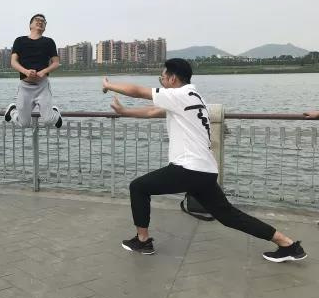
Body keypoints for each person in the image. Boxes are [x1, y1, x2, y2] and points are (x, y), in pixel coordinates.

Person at [102, 58, 307, 263]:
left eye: (162, 78)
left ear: (172, 79)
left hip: (188, 168)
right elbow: (152, 111)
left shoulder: (178, 95)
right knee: (228, 216)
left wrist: (109, 85)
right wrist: (124, 112)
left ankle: (143, 241)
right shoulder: (194, 96)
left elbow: (138, 91)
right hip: (204, 171)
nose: (161, 82)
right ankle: (287, 244)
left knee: (138, 187)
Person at [3, 13, 62, 129]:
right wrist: (25, 71)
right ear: (30, 25)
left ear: (45, 27)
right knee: (24, 123)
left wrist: (44, 71)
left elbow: (56, 63)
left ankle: (55, 112)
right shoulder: (20, 41)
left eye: (43, 21)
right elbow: (13, 62)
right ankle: (12, 110)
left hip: (42, 86)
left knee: (48, 121)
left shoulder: (49, 42)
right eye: (37, 20)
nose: (40, 21)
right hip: (25, 87)